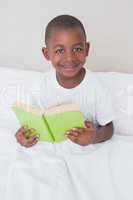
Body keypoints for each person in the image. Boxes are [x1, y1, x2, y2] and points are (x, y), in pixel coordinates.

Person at [15, 14, 114, 148]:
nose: (69, 58)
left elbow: (109, 128)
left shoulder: (96, 87)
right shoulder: (40, 85)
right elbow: (31, 123)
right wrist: (25, 136)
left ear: (87, 49)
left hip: (84, 154)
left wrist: (94, 137)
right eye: (60, 50)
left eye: (77, 49)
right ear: (46, 53)